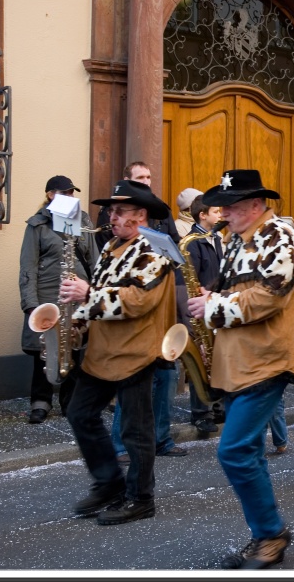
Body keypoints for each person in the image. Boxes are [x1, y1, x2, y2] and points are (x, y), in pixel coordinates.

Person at [186, 169, 294, 569]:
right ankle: (265, 532)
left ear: (256, 205)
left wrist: (213, 307)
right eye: (222, 207)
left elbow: (268, 298)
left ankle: (271, 533)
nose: (223, 214)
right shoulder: (240, 239)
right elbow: (242, 290)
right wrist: (213, 296)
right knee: (248, 450)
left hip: (267, 358)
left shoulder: (280, 236)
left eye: (232, 207)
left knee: (235, 449)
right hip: (242, 357)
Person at [59, 179, 176, 525]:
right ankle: (109, 482)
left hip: (137, 350)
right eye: (111, 210)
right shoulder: (111, 246)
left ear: (140, 215)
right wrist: (72, 325)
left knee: (136, 430)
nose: (112, 216)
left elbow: (138, 300)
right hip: (104, 350)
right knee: (80, 413)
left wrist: (87, 296)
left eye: (120, 210)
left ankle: (140, 497)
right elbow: (100, 292)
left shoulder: (155, 250)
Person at [109, 162, 187, 459]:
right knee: (133, 382)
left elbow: (176, 254)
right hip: (137, 311)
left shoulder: (161, 211)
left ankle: (161, 439)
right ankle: (120, 445)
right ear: (128, 180)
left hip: (164, 306)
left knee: (167, 376)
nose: (147, 181)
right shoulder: (117, 215)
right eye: (140, 178)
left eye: (149, 177)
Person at [20, 175, 98, 424]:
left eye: (72, 193)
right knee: (45, 349)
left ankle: (70, 402)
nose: (70, 198)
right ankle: (40, 402)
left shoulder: (82, 220)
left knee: (75, 347)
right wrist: (30, 304)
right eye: (64, 193)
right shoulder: (37, 225)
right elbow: (28, 267)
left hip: (76, 295)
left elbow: (94, 259)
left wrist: (95, 294)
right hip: (47, 296)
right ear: (51, 195)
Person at [183, 195, 225, 434]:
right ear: (203, 215)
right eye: (216, 211)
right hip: (199, 308)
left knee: (215, 359)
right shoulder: (192, 242)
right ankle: (201, 414)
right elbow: (193, 277)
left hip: (215, 305)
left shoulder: (215, 238)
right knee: (201, 360)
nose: (220, 215)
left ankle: (218, 406)